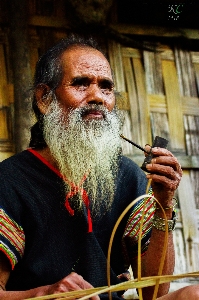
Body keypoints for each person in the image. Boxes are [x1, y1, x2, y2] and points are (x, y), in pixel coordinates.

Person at [0, 35, 183, 300]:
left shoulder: (128, 176)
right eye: (81, 84)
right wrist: (45, 294)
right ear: (44, 98)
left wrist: (164, 205)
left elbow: (154, 291)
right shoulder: (10, 182)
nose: (97, 96)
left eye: (106, 87)